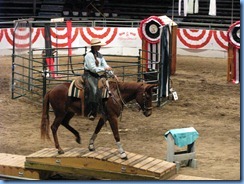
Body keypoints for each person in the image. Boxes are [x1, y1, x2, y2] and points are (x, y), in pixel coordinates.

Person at [83, 38, 113, 120]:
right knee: (94, 89)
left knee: (108, 87)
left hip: (97, 75)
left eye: (100, 45)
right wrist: (104, 69)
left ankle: (103, 107)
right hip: (89, 75)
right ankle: (92, 111)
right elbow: (92, 68)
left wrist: (111, 73)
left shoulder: (99, 55)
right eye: (98, 46)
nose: (100, 47)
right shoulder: (88, 56)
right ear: (94, 46)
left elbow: (105, 65)